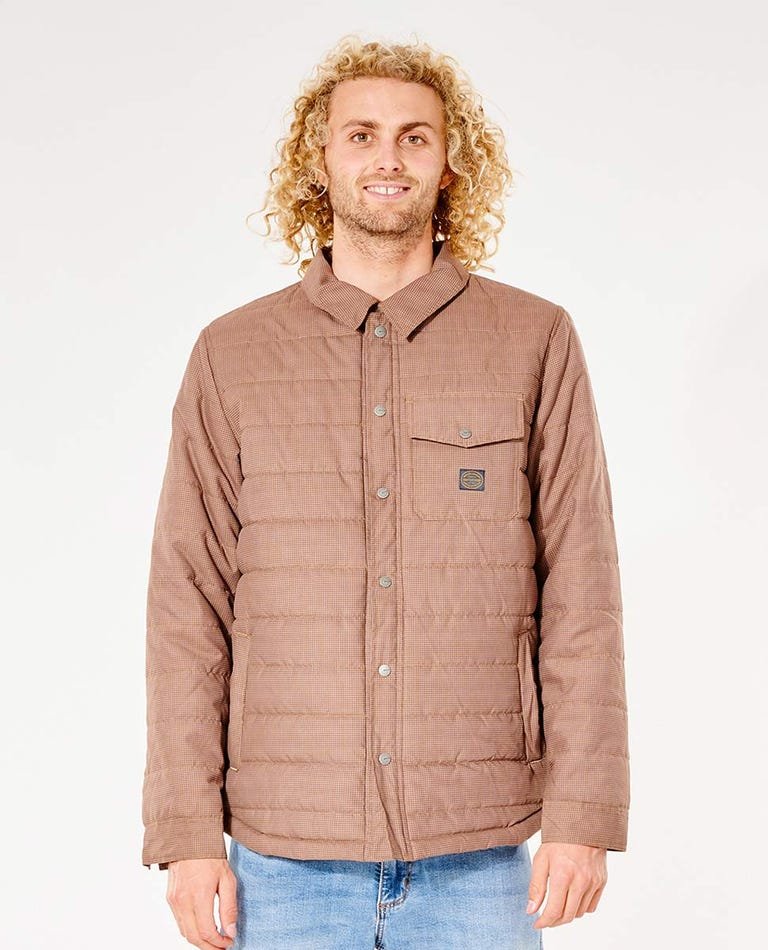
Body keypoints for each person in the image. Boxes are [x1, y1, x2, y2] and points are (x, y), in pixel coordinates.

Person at [141, 34, 630, 950]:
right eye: (360, 135)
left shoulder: (533, 340)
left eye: (415, 137)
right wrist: (185, 833)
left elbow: (582, 593)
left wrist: (584, 812)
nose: (388, 158)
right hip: (281, 861)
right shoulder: (232, 356)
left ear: (450, 164)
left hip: (480, 852)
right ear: (319, 161)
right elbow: (187, 606)